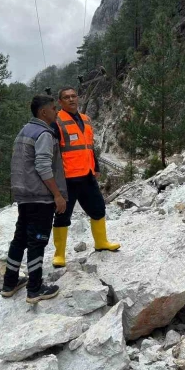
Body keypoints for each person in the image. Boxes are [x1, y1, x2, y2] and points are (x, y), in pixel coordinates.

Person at [1, 94, 68, 303]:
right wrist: (57, 194)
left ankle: (9, 283)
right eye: (54, 108)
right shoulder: (44, 134)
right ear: (43, 112)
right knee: (37, 241)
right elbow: (43, 165)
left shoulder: (25, 130)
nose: (57, 112)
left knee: (20, 238)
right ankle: (35, 288)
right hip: (40, 196)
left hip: (24, 194)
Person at [51, 87, 119, 268]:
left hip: (87, 174)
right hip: (67, 178)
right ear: (60, 102)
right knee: (62, 215)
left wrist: (95, 166)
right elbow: (52, 151)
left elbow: (89, 146)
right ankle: (59, 254)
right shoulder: (56, 121)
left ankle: (101, 242)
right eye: (66, 97)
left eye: (73, 96)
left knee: (98, 209)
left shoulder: (86, 120)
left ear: (78, 98)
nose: (71, 99)